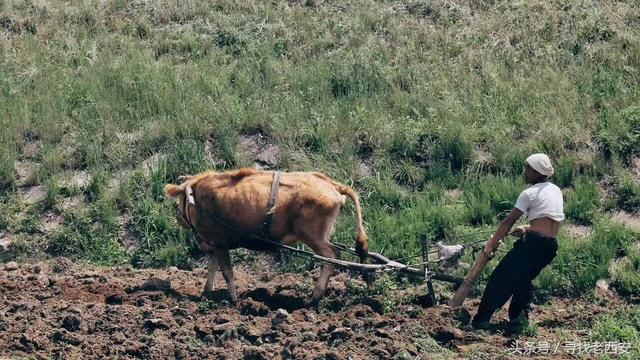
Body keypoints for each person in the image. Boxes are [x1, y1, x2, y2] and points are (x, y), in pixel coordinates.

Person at [471, 153, 564, 331]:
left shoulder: (529, 193)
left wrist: (492, 244)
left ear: (538, 172)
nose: (525, 172)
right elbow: (550, 222)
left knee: (501, 278)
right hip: (549, 247)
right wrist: (527, 228)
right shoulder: (555, 190)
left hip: (533, 245)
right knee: (523, 278)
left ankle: (481, 320)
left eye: (528, 168)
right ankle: (518, 318)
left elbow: (508, 221)